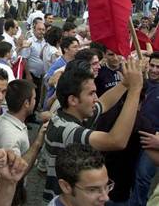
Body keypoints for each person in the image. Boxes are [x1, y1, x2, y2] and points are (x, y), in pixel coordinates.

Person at [43, 59, 143, 202]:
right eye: (91, 94)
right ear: (73, 100)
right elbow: (117, 141)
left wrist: (125, 83)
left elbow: (104, 103)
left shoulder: (69, 114)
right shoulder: (67, 129)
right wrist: (135, 89)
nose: (96, 99)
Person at [0, 79, 47, 205]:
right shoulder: (11, 136)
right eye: (33, 98)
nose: (35, 101)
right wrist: (38, 142)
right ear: (26, 103)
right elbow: (15, 173)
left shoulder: (4, 119)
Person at [129, 51, 159, 206]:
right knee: (132, 174)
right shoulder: (141, 83)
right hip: (133, 136)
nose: (154, 70)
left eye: (158, 67)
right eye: (152, 65)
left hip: (152, 141)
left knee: (143, 176)